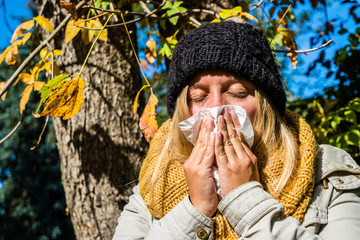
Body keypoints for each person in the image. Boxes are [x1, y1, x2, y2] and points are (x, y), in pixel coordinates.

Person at [112, 21, 360, 239]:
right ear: (183, 109)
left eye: (238, 93)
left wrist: (245, 199)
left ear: (265, 103)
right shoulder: (155, 179)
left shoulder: (327, 171)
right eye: (199, 97)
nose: (217, 108)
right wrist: (194, 210)